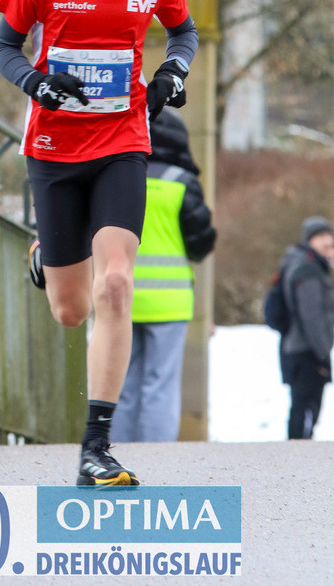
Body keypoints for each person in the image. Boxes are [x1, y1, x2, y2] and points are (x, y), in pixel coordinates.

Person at [0, 0, 198, 486]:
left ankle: (94, 446)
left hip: (121, 142)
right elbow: (3, 47)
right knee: (69, 310)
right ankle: (46, 256)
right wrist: (36, 84)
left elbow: (182, 31)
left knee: (115, 285)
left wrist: (171, 73)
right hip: (53, 150)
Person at [110, 109, 216, 443]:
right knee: (160, 384)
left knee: (122, 385)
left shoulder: (116, 178)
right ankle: (158, 460)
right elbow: (201, 241)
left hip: (121, 297)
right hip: (170, 302)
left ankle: (119, 456)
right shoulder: (181, 182)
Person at [279, 216, 334, 440]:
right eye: (320, 237)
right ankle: (296, 459)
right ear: (309, 240)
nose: (326, 242)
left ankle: (295, 455)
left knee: (302, 407)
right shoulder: (308, 270)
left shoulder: (304, 263)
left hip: (298, 347)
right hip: (306, 350)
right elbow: (312, 317)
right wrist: (322, 353)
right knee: (305, 408)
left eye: (328, 237)